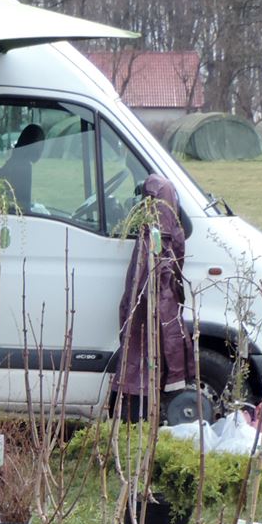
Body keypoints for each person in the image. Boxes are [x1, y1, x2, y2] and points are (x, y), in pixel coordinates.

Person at [113, 174, 191, 415]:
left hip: (148, 315)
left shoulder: (156, 236)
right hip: (149, 315)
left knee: (137, 360)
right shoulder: (159, 234)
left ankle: (138, 418)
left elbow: (157, 280)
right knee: (140, 361)